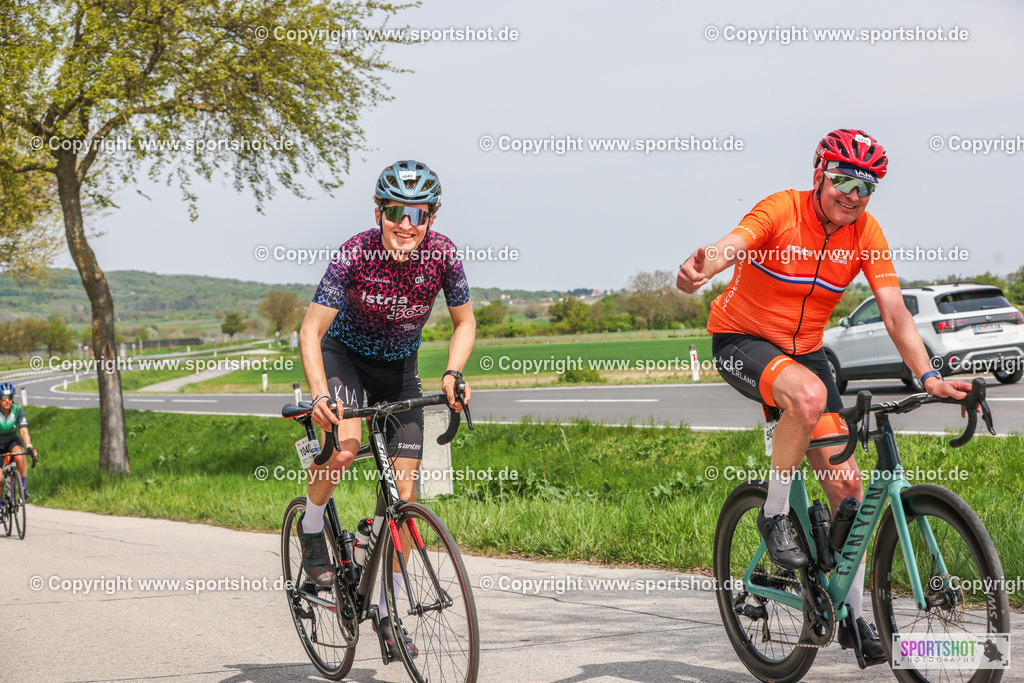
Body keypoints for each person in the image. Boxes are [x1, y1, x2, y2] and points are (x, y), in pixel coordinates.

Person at [676, 129, 972, 662]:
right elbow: (735, 243)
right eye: (843, 180)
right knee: (808, 396)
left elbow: (895, 311)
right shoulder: (781, 210)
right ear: (819, 175)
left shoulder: (866, 231)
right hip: (742, 339)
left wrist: (928, 376)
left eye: (866, 186)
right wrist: (707, 265)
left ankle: (854, 617)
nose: (853, 195)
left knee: (850, 493)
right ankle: (773, 514)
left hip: (804, 351)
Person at [297, 160, 475, 659]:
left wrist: (453, 373)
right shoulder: (355, 252)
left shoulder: (442, 256)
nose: (407, 224)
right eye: (396, 211)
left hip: (399, 369)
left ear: (431, 218)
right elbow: (310, 331)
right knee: (345, 450)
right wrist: (319, 395)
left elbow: (465, 323)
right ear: (379, 211)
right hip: (344, 361)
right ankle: (312, 528)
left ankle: (388, 612)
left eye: (419, 214)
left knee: (404, 495)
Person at [0, 382, 37, 501]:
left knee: (20, 456)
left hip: (12, 440)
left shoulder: (18, 410)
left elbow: (23, 431)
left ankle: (23, 487)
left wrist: (29, 446)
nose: (7, 401)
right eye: (3, 398)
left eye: (10, 397)